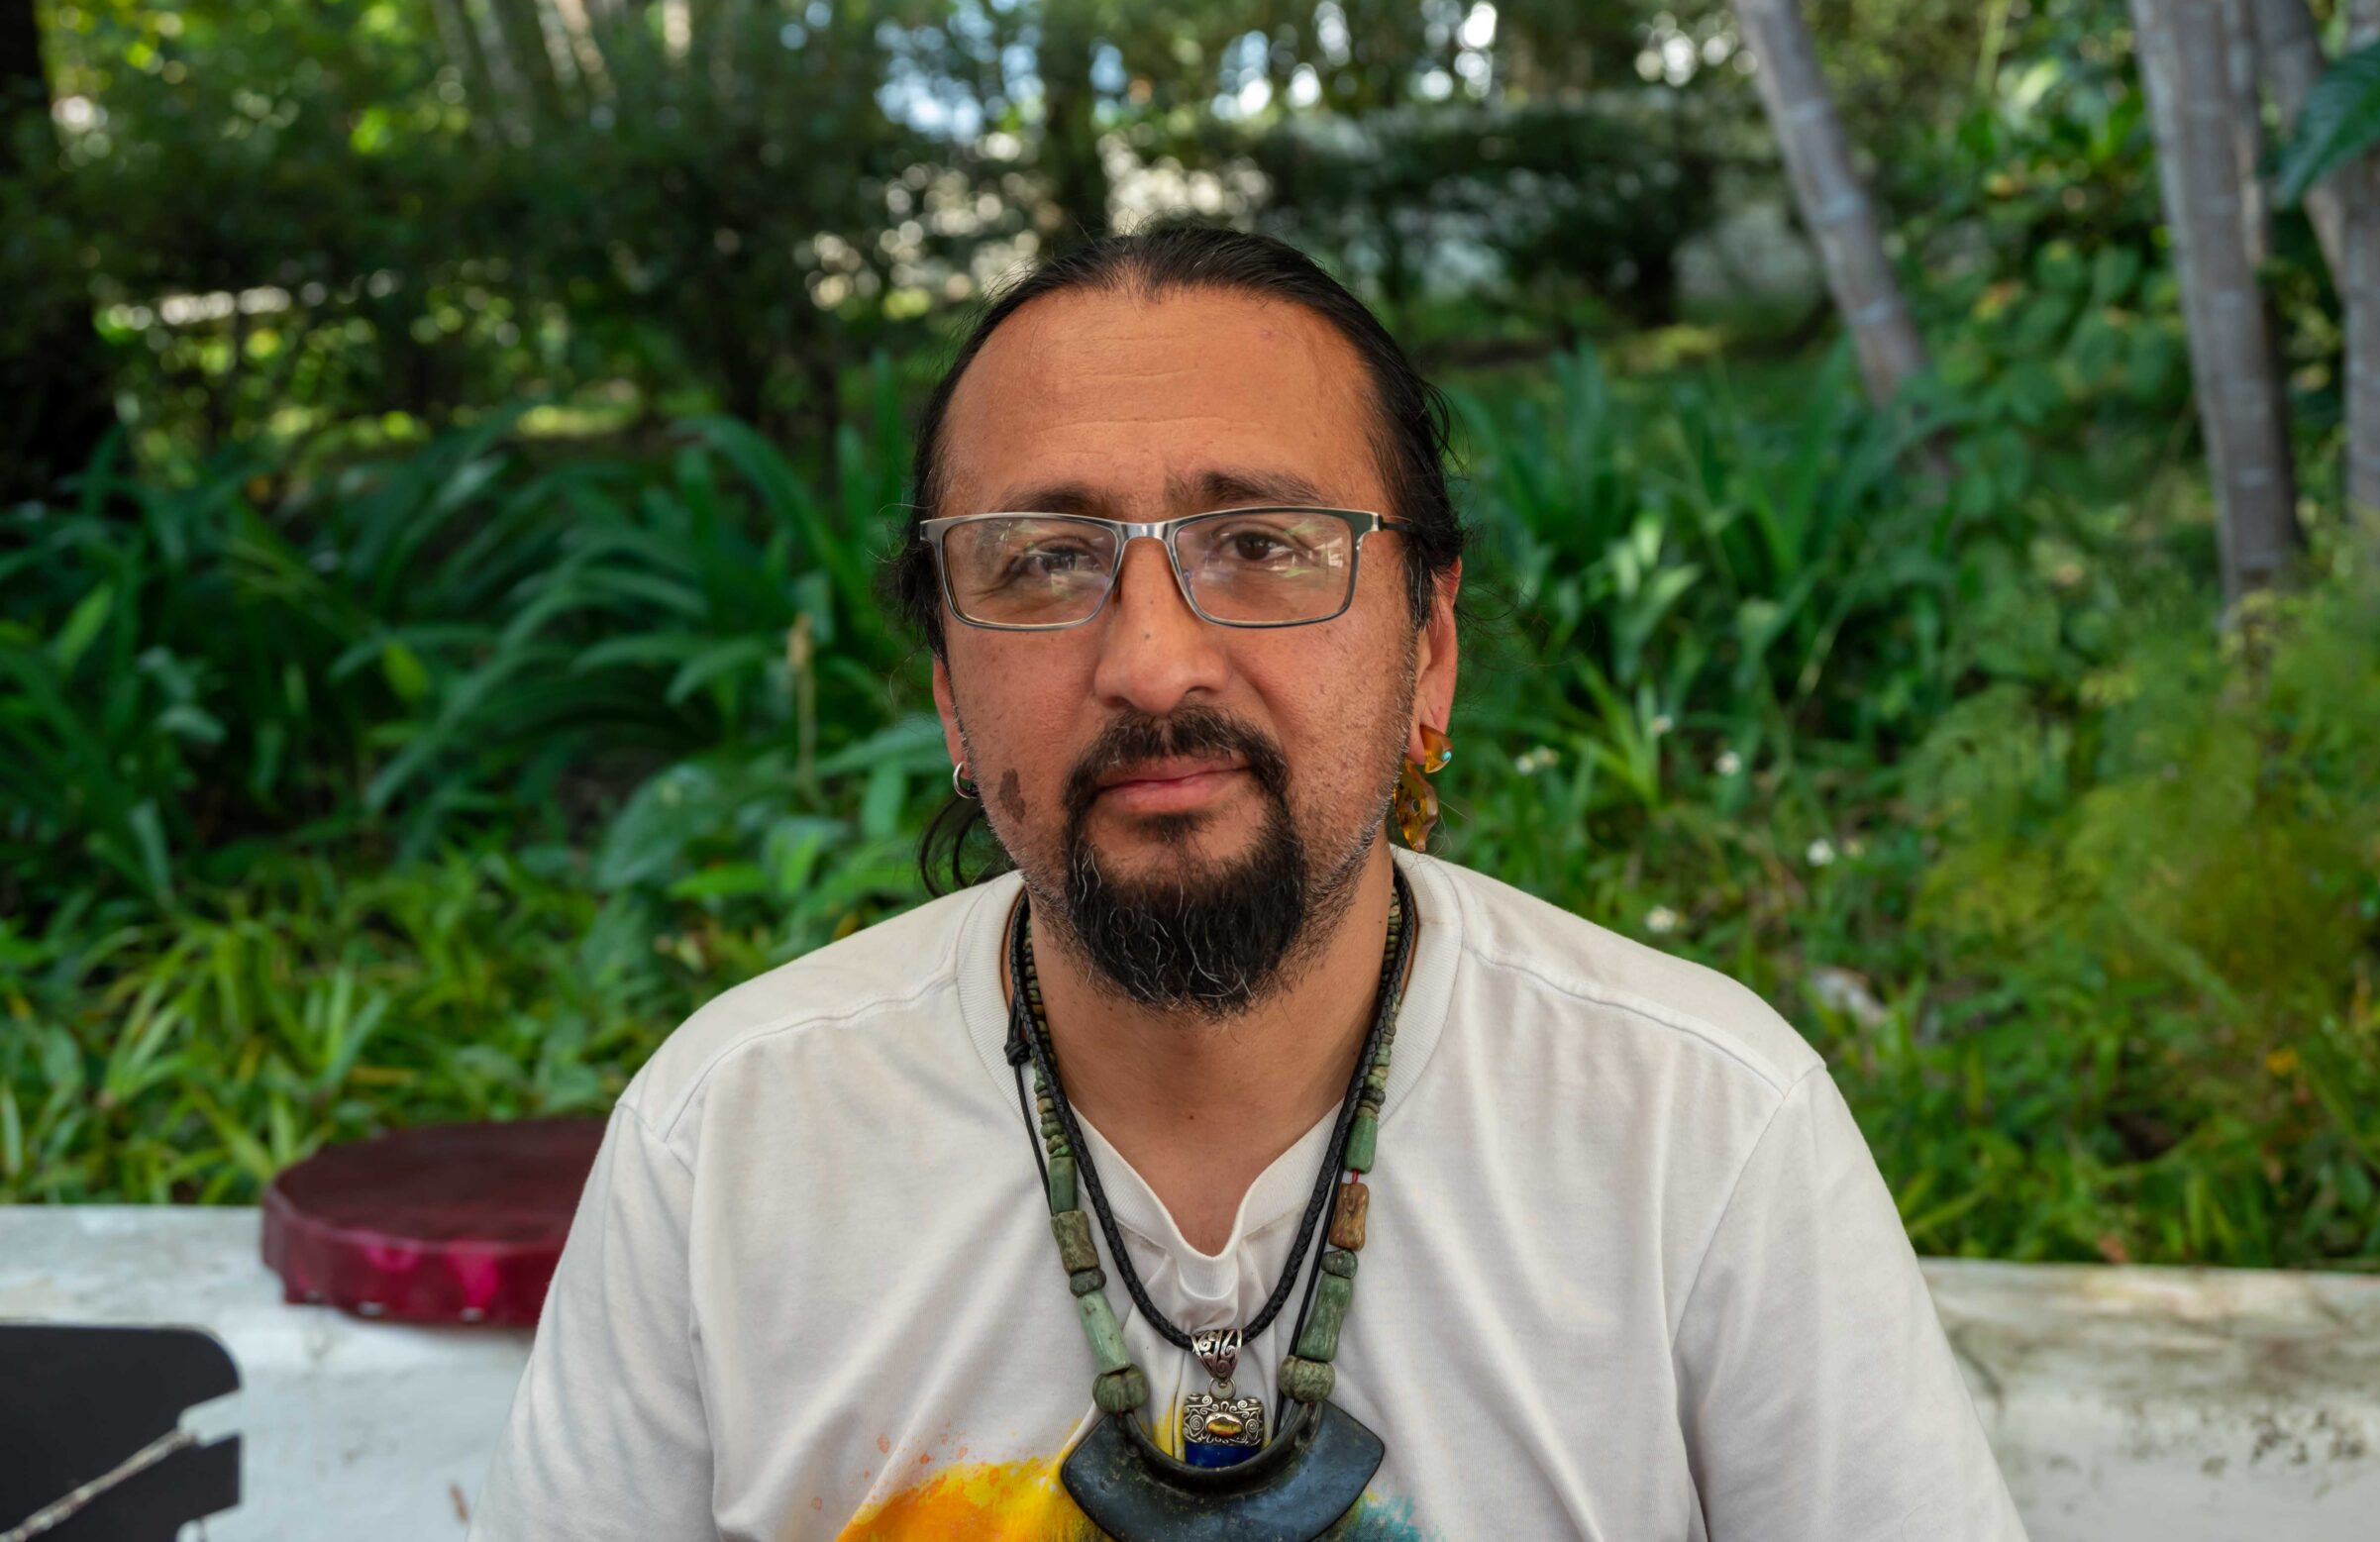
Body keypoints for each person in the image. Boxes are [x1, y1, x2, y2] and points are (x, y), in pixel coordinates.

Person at [470, 223, 2027, 1541]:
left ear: (1429, 649)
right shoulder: (729, 1150)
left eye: (1265, 544)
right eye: (1043, 559)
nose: (1153, 660)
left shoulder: (1701, 1133)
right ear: (948, 688)